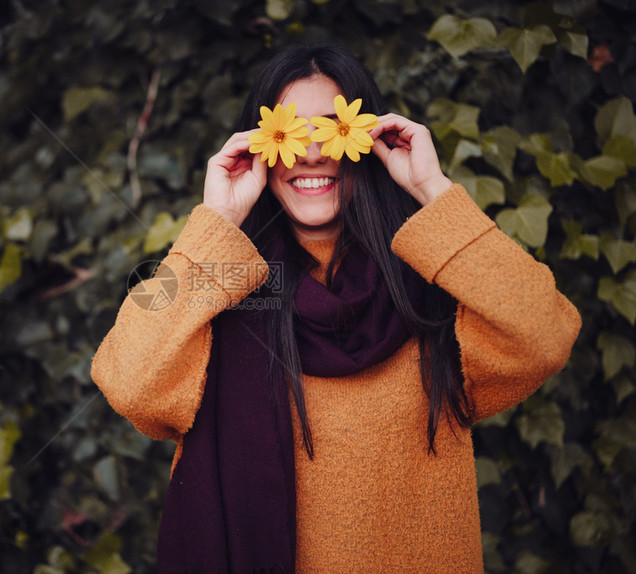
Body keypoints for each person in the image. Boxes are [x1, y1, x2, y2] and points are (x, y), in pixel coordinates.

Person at [91, 44, 581, 573]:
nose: (310, 153)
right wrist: (219, 219)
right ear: (261, 146)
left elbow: (544, 333)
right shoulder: (222, 294)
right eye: (290, 133)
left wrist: (431, 190)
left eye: (330, 130)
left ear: (366, 141)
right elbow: (128, 382)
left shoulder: (433, 287)